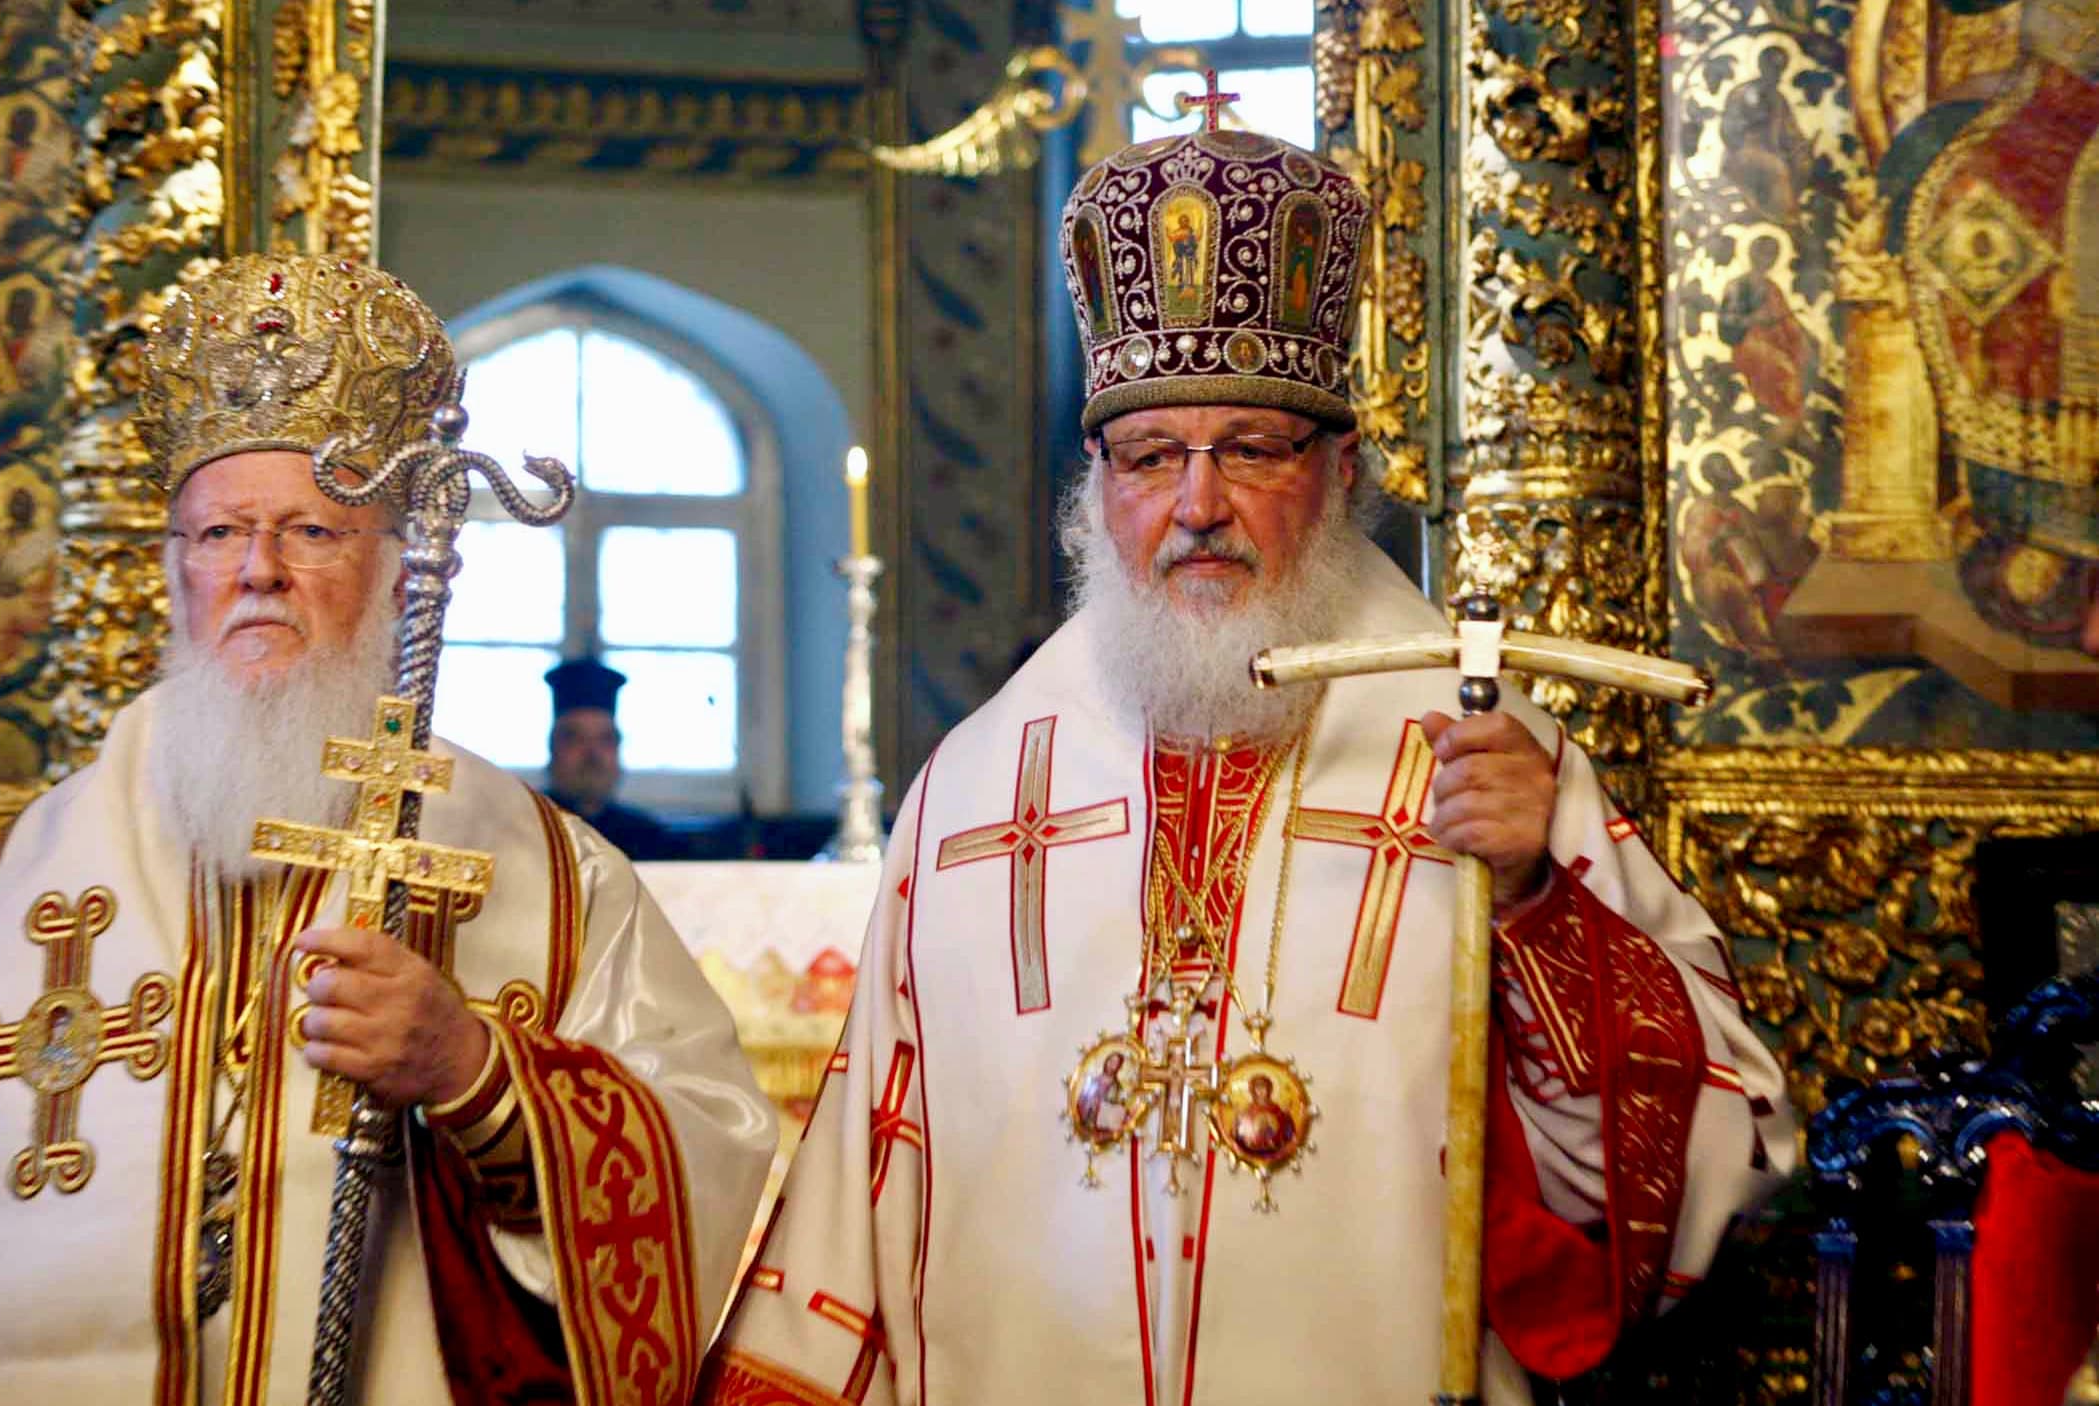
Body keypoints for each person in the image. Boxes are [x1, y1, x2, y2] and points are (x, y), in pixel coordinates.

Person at [700, 126, 1793, 1405]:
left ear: (1337, 472)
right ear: (1098, 487)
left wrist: (1545, 909)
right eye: (1153, 455)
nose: (1198, 502)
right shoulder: (976, 790)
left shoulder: (1480, 751)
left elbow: (1724, 1157)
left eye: (1252, 449)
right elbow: (857, 1202)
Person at [0, 254, 777, 1405]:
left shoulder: (542, 869)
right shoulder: (20, 878)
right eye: (217, 533)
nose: (258, 572)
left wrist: (478, 1072)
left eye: (314, 533)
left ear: (398, 570)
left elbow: (710, 1160)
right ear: (171, 569)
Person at [544, 655, 687, 860]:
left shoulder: (649, 838)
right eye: (576, 738)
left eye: (605, 740)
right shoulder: (524, 831)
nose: (592, 754)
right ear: (553, 748)